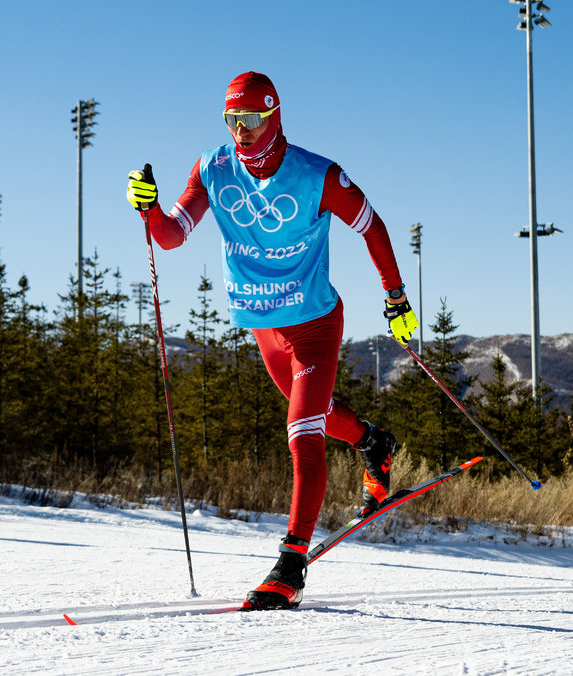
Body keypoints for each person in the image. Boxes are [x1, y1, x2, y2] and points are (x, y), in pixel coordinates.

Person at [125, 71, 419, 611]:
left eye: (252, 119)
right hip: (265, 328)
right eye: (232, 120)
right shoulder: (213, 169)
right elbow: (170, 237)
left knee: (301, 430)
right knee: (321, 412)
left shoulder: (317, 175)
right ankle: (374, 443)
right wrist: (148, 206)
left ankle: (290, 566)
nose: (242, 130)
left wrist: (395, 297)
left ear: (274, 115)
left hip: (313, 324)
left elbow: (372, 226)